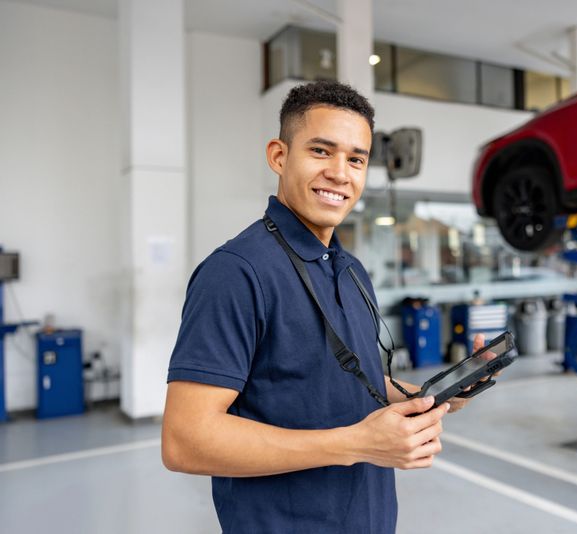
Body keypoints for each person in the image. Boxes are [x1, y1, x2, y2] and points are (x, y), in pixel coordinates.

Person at [161, 80, 490, 533]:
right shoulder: (236, 272)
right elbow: (186, 440)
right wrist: (358, 443)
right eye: (321, 151)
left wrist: (436, 395)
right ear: (279, 156)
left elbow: (344, 382)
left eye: (356, 159)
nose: (341, 172)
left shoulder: (350, 270)